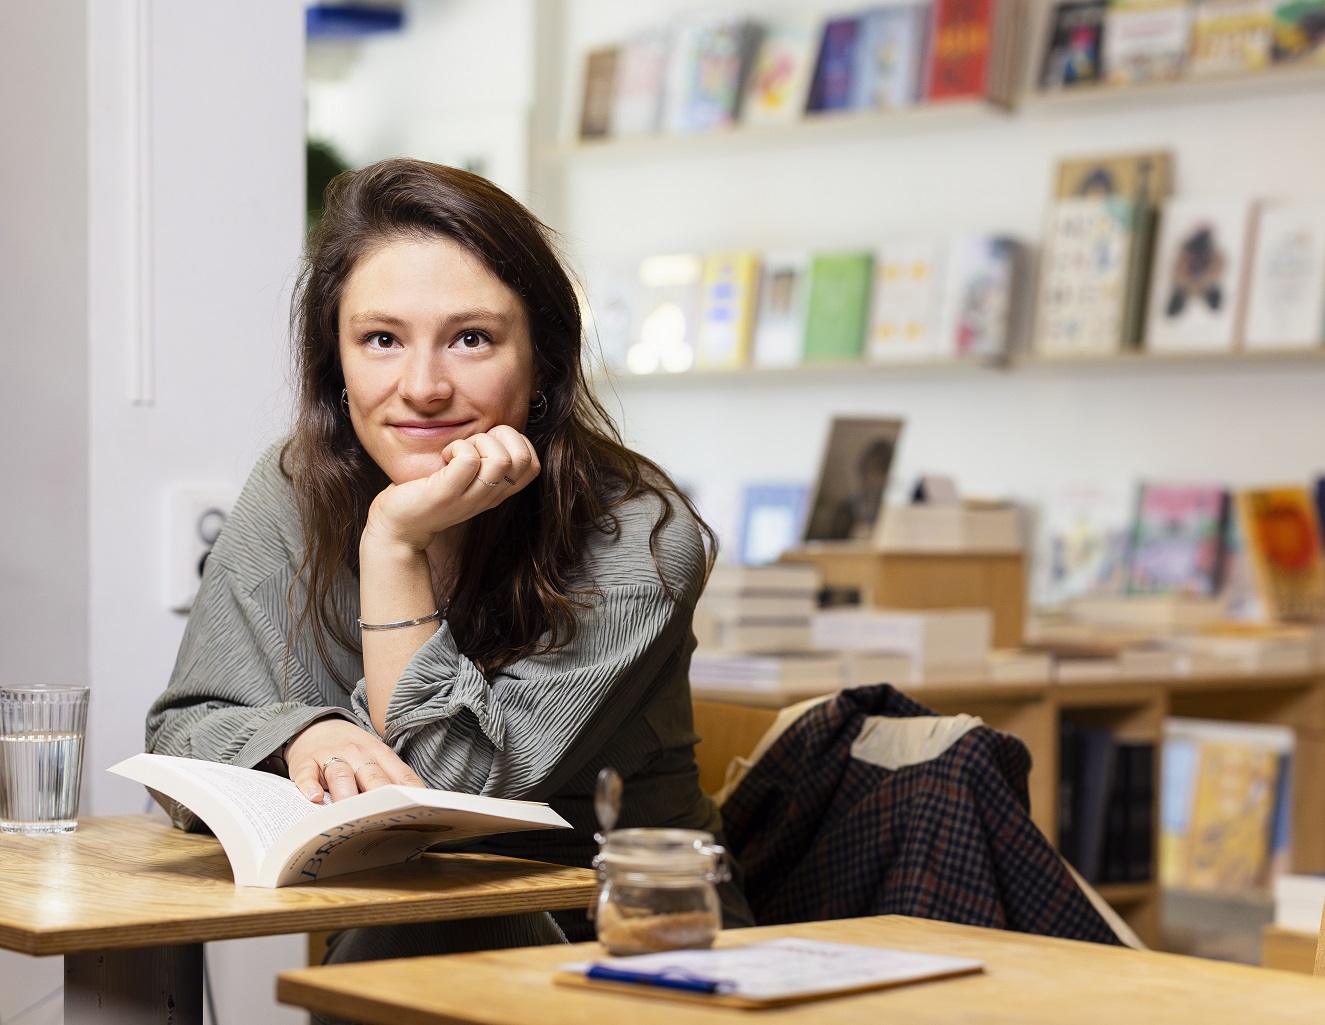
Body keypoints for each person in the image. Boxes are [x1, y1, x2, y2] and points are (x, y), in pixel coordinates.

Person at [145, 157, 753, 961]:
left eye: (471, 338)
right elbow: (178, 734)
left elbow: (442, 797)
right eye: (381, 339)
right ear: (336, 364)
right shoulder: (295, 486)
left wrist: (395, 541)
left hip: (632, 940)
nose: (423, 386)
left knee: (443, 919)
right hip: (400, 926)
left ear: (541, 359)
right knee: (416, 928)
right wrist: (303, 734)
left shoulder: (636, 532)